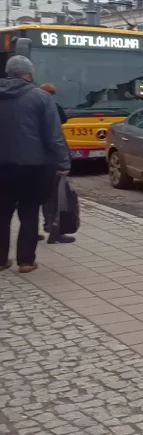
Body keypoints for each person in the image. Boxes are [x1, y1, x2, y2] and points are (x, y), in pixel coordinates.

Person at [0, 56, 71, 273]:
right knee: (29, 213)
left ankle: (1, 260)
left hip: (2, 166)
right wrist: (63, 161)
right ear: (28, 74)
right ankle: (26, 261)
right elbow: (53, 135)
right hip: (33, 166)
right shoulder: (40, 97)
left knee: (2, 214)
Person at [38, 84, 74, 244]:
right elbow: (57, 136)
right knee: (54, 198)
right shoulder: (51, 107)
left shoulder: (27, 108)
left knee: (32, 199)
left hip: (31, 160)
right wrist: (64, 162)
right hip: (50, 160)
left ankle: (34, 230)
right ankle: (54, 231)